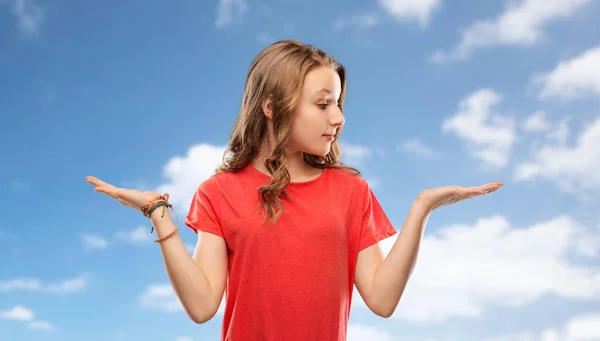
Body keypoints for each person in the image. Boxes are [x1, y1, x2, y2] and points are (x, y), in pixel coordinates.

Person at [85, 39, 502, 341]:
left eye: (338, 103)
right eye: (322, 104)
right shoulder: (218, 192)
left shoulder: (351, 192)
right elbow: (202, 306)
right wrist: (159, 212)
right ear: (272, 106)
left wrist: (422, 209)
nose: (338, 117)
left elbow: (382, 299)